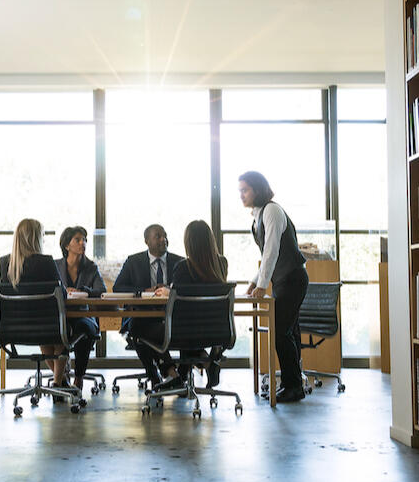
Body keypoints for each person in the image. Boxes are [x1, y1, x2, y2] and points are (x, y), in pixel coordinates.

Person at [238, 170, 308, 403]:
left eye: (245, 190)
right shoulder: (257, 217)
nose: (241, 195)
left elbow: (272, 250)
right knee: (288, 331)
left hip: (292, 278)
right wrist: (254, 281)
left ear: (257, 190)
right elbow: (267, 254)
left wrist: (262, 283)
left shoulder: (272, 210)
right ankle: (292, 384)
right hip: (283, 279)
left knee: (280, 331)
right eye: (240, 191)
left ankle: (293, 386)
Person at [0, 218, 71, 389]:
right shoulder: (45, 262)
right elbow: (63, 295)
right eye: (42, 236)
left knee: (46, 334)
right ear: (35, 238)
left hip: (16, 328)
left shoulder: (5, 263)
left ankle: (59, 381)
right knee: (61, 331)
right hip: (47, 326)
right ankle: (58, 382)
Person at [156, 219, 229, 388]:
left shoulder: (183, 267)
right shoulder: (222, 263)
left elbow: (180, 303)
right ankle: (204, 364)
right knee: (190, 330)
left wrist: (170, 292)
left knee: (141, 327)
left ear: (188, 242)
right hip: (216, 329)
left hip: (186, 330)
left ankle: (175, 375)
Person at [112, 223, 183, 387]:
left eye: (165, 235)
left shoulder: (179, 262)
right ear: (147, 241)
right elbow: (118, 288)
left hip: (172, 318)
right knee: (137, 326)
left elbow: (185, 290)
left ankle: (165, 375)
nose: (163, 239)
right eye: (158, 236)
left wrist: (168, 290)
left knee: (138, 333)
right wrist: (145, 290)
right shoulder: (134, 262)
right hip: (142, 315)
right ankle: (167, 374)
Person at [55, 225, 106, 391]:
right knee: (63, 329)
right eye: (77, 240)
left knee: (83, 328)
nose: (82, 243)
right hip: (61, 317)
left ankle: (79, 376)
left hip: (85, 316)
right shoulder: (55, 266)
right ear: (66, 245)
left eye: (84, 240)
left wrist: (83, 291)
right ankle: (61, 376)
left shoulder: (90, 267)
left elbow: (101, 291)